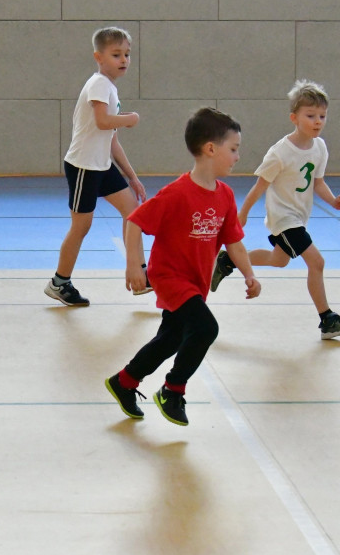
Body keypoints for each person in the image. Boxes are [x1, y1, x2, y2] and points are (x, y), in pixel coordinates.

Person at [105, 108, 261, 426]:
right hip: (169, 276)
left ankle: (124, 381)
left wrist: (249, 273)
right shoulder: (176, 193)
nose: (237, 156)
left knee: (171, 338)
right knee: (206, 329)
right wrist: (135, 265)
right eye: (233, 149)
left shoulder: (226, 196)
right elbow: (135, 221)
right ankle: (173, 389)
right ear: (210, 149)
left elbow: (234, 242)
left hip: (196, 281)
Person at [209, 79, 340, 340]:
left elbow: (318, 182)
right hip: (284, 218)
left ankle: (229, 260)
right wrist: (241, 215)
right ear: (294, 118)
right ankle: (327, 319)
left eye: (322, 116)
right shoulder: (280, 152)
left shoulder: (320, 147)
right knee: (317, 262)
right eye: (310, 116)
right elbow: (259, 186)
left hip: (299, 216)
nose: (317, 121)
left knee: (279, 260)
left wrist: (333, 201)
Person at [45, 26, 147, 307]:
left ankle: (138, 273)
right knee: (81, 226)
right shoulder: (99, 84)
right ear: (98, 57)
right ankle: (59, 283)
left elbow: (111, 139)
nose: (124, 59)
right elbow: (104, 121)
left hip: (101, 165)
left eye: (127, 54)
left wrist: (132, 177)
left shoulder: (110, 87)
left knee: (133, 212)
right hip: (83, 166)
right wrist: (130, 118)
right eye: (116, 54)